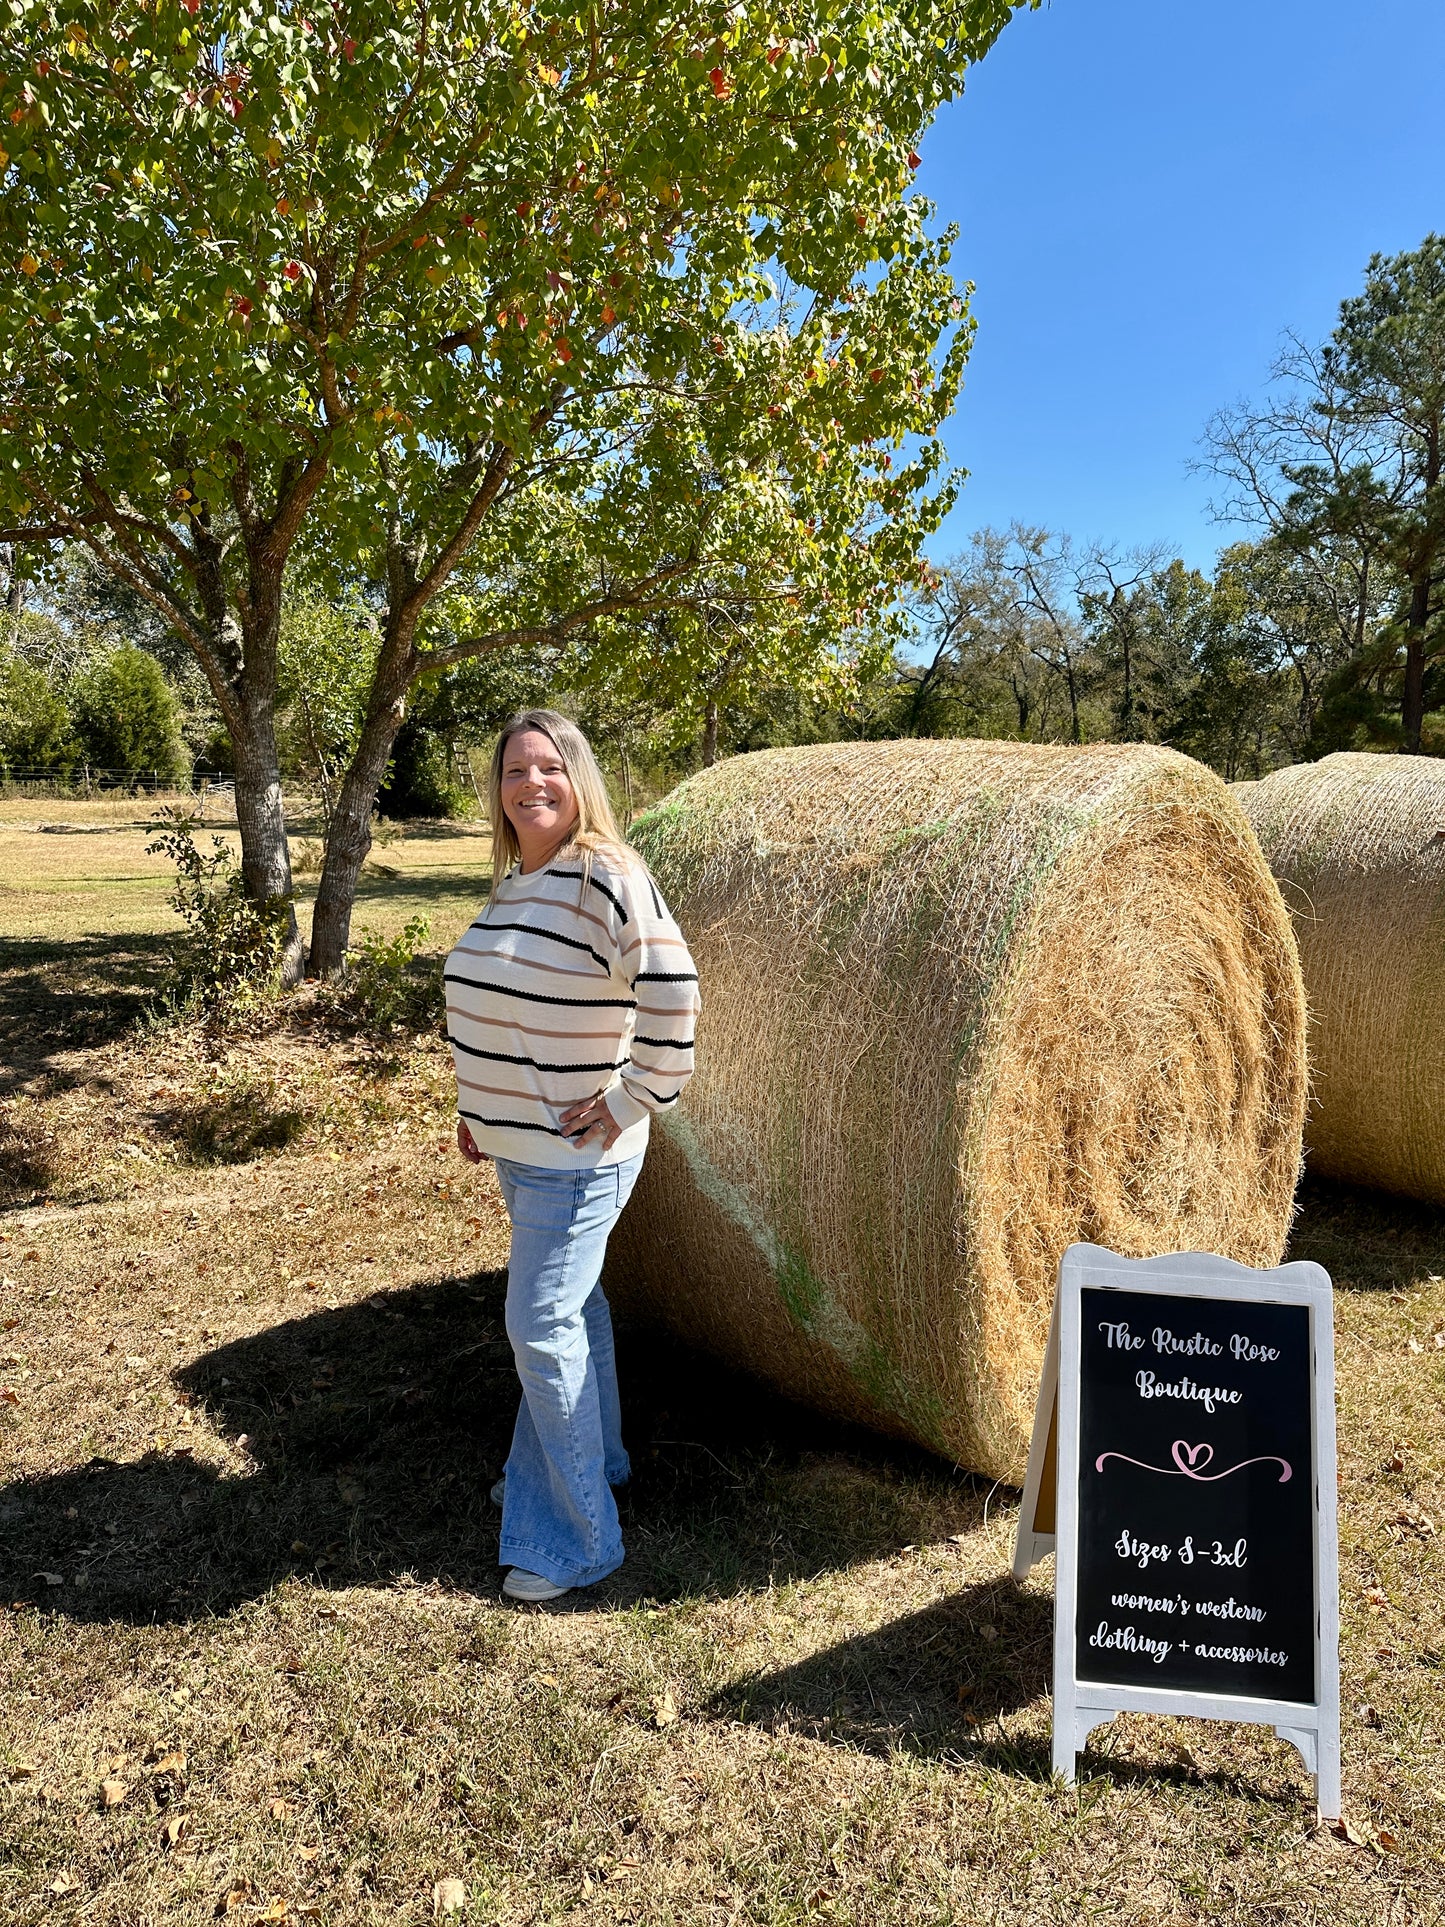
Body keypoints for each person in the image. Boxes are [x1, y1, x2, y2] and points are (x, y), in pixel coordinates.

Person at [446, 709, 699, 1603]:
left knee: (538, 1325)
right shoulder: (520, 880)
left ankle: (577, 1537)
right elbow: (506, 1004)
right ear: (499, 791)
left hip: (579, 1159)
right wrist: (482, 1107)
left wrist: (632, 1099)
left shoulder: (606, 873)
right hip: (521, 1152)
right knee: (576, 1310)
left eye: (549, 766)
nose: (531, 783)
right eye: (515, 769)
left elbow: (673, 997)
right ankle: (596, 1464)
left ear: (577, 777)